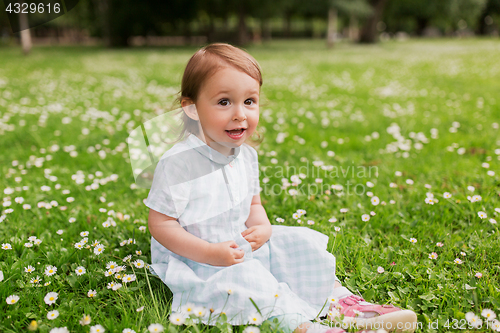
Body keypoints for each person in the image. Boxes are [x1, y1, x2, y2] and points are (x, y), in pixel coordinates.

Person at [144, 43, 418, 333]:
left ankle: (344, 306)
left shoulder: (246, 156)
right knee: (249, 283)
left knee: (298, 246)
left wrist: (263, 228)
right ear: (192, 108)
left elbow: (253, 205)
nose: (240, 114)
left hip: (238, 244)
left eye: (249, 101)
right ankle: (305, 328)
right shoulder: (180, 163)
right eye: (224, 102)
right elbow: (161, 224)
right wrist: (210, 253)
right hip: (197, 258)